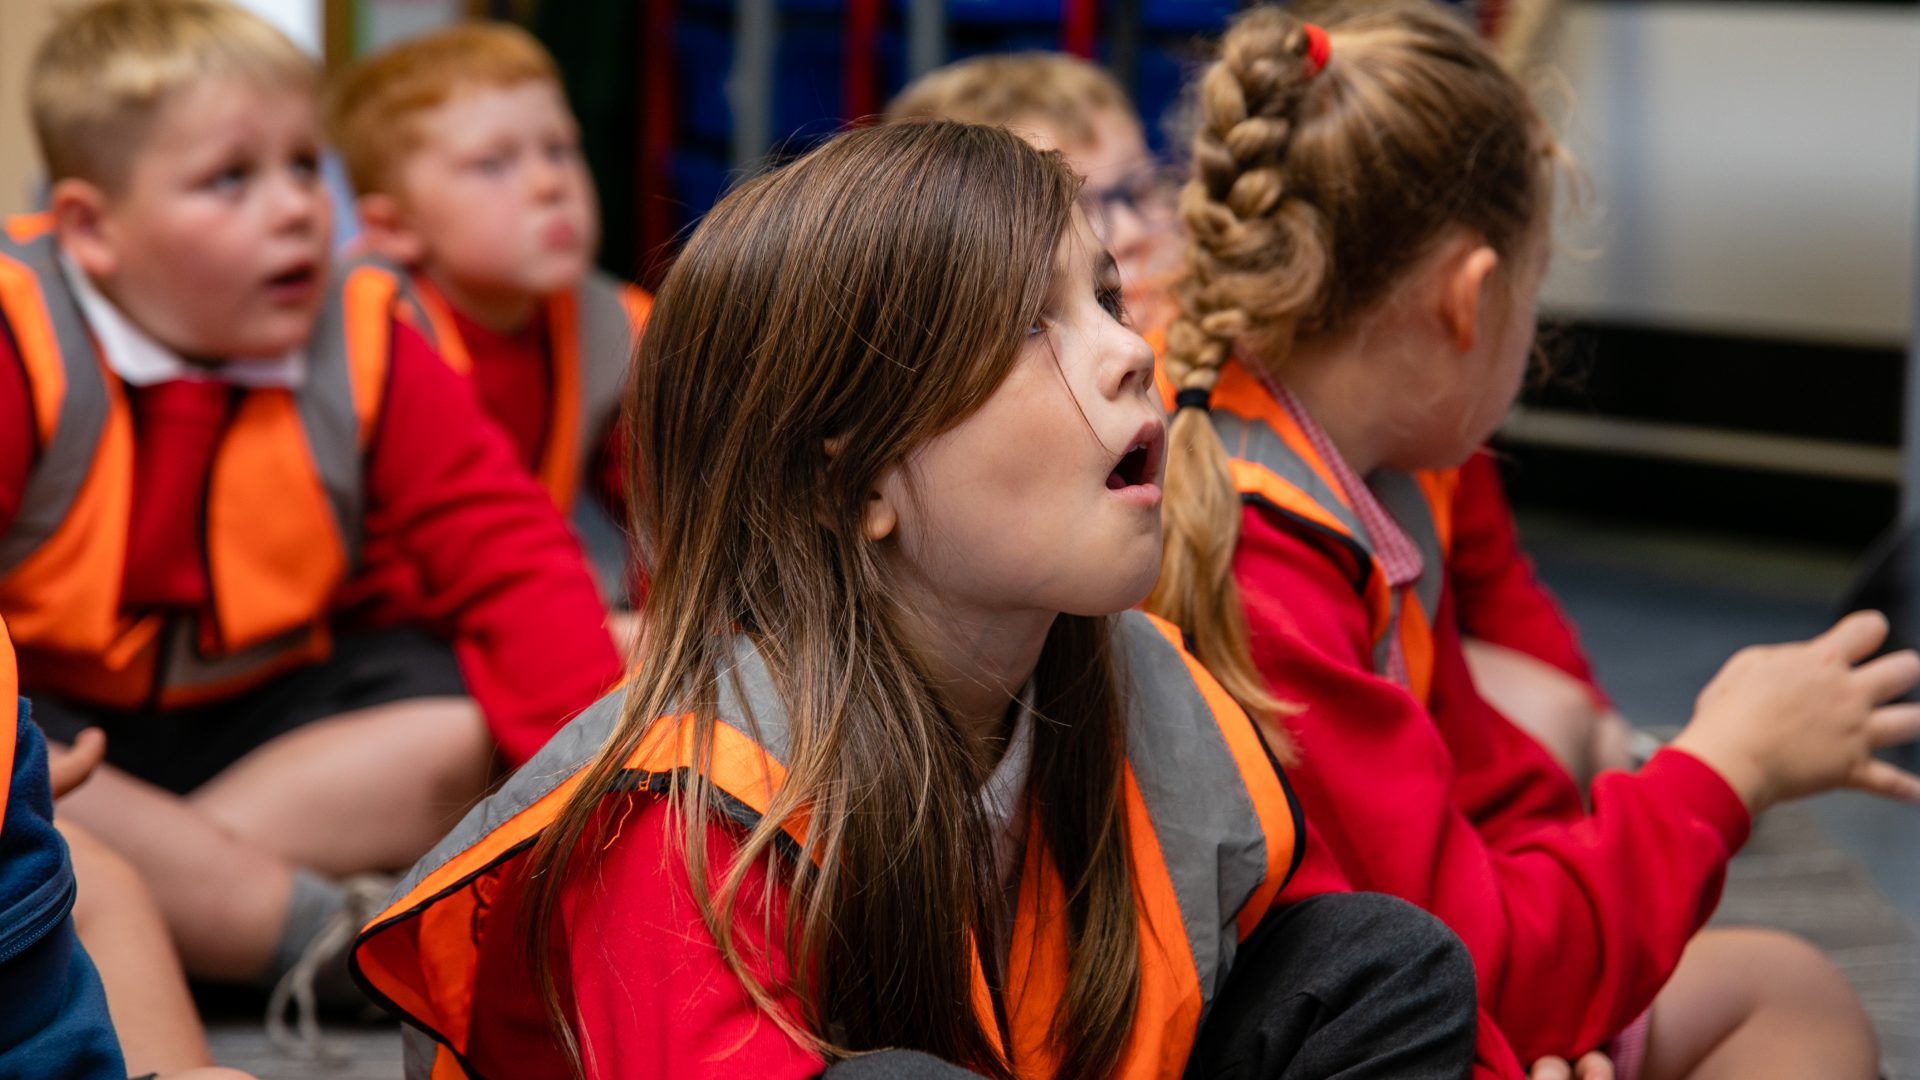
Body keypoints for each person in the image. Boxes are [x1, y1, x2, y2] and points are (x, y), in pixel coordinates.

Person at [350, 120, 1494, 1080]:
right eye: (1030, 326)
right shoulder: (694, 823)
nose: (1129, 351)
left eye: (1104, 296)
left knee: (1375, 968)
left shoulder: (1160, 694)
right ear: (853, 479)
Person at [1146, 5, 1920, 1078]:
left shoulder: (1347, 470)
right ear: (1470, 298)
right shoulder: (1268, 564)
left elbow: (1485, 794)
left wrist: (1564, 993)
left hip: (1397, 979)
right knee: (1796, 1010)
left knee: (1790, 992)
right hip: (1305, 1032)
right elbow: (1469, 969)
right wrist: (1724, 768)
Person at [0, 0, 621, 1023]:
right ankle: (319, 942)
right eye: (231, 179)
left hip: (267, 729)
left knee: (472, 713)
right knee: (33, 770)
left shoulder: (362, 329)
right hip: (68, 736)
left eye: (305, 167)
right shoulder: (21, 333)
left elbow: (510, 558)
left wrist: (609, 802)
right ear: (89, 228)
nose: (295, 210)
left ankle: (145, 913)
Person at [888, 48, 1629, 790]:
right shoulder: (1217, 485)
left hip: (1397, 707)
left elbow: (1496, 580)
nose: (1136, 232)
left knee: (1573, 720)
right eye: (1085, 208)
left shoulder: (1399, 396)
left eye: (1141, 189)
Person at [324, 23, 652, 611]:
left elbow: (673, 511)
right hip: (389, 625)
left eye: (559, 149)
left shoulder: (615, 321)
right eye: (493, 164)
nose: (550, 183)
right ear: (394, 228)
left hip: (521, 594)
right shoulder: (362, 330)